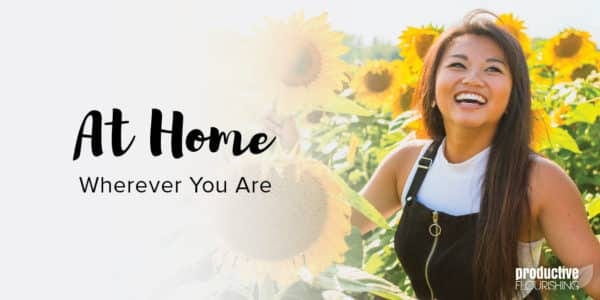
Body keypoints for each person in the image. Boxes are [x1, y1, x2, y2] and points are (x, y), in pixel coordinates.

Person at [353, 10, 600, 299]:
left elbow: (592, 278)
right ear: (432, 89)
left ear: (512, 97)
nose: (473, 79)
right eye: (457, 65)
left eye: (493, 69)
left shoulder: (539, 180)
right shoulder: (407, 163)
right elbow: (337, 231)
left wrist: (543, 280)